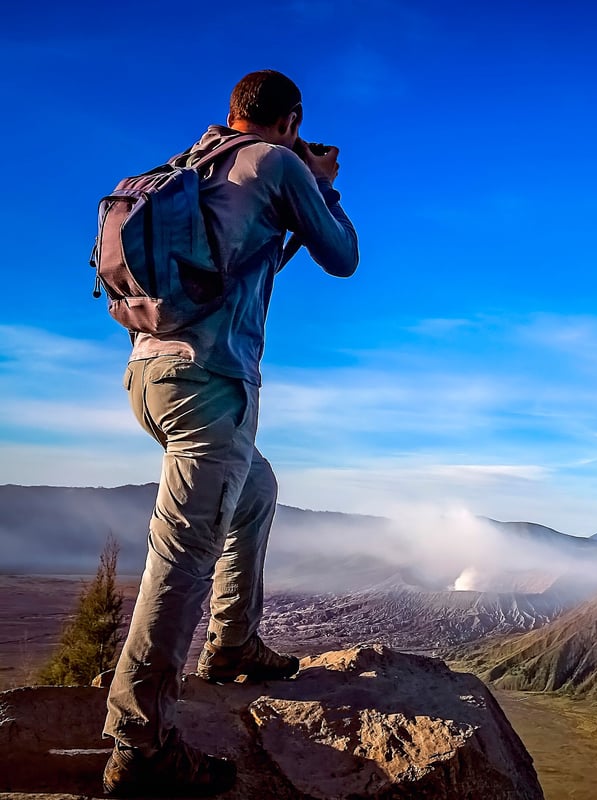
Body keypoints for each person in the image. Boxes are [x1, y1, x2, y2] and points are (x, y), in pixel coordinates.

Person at [101, 69, 359, 797]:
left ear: (233, 111)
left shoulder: (194, 162)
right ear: (292, 119)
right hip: (209, 382)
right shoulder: (276, 162)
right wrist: (322, 182)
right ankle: (140, 745)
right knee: (182, 556)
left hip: (149, 377)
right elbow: (343, 256)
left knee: (257, 490)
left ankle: (233, 644)